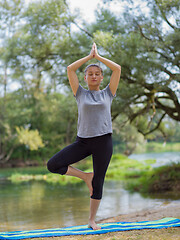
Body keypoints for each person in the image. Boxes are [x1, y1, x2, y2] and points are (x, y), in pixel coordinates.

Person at [47, 43, 121, 230]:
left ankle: (91, 220)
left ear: (102, 77)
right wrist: (90, 57)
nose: (94, 76)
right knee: (53, 165)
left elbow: (117, 69)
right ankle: (85, 177)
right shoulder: (79, 93)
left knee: (99, 182)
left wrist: (99, 57)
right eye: (90, 74)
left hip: (103, 141)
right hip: (83, 141)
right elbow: (70, 68)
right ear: (85, 77)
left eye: (98, 73)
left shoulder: (108, 93)